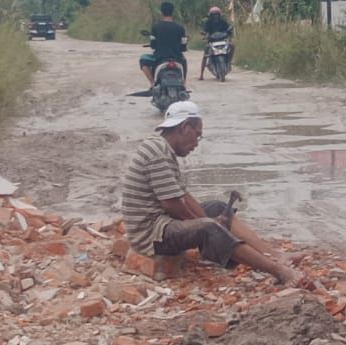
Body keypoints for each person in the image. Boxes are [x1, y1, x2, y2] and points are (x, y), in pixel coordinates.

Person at [118, 100, 311, 288]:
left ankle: (273, 254)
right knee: (210, 228)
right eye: (197, 135)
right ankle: (278, 271)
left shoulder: (163, 149)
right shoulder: (158, 152)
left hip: (161, 223)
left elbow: (183, 196)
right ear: (185, 127)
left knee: (217, 208)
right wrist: (206, 224)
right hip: (151, 235)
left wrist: (205, 218)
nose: (196, 143)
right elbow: (172, 204)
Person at [140, 2, 187, 86]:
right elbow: (183, 46)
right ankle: (183, 83)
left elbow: (153, 45)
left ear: (161, 12)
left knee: (142, 59)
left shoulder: (155, 27)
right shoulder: (180, 28)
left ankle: (152, 82)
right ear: (172, 12)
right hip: (177, 57)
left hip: (159, 57)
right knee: (184, 61)